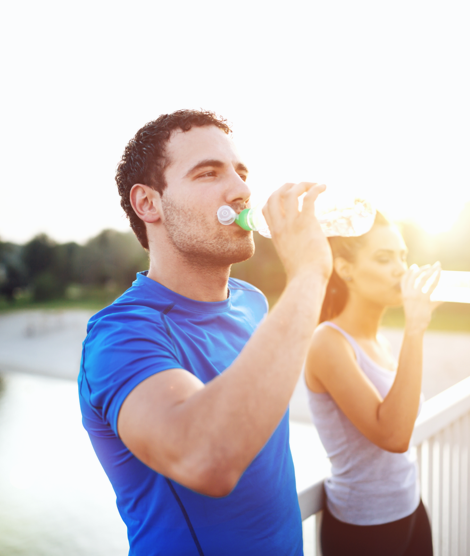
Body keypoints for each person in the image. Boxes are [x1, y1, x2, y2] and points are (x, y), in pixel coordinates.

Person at [77, 109, 333, 555]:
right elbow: (205, 458)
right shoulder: (118, 337)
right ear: (148, 204)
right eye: (208, 173)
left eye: (241, 172)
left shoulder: (252, 301)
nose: (241, 190)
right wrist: (310, 273)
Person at [304, 212, 440, 556]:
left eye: (403, 256)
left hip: (409, 507)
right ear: (345, 268)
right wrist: (416, 328)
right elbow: (394, 435)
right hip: (364, 528)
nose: (401, 269)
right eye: (384, 258)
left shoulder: (381, 342)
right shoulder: (328, 342)